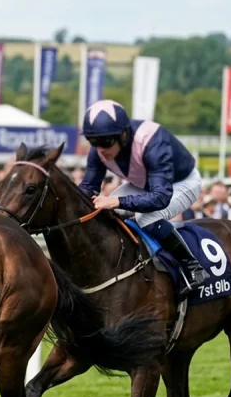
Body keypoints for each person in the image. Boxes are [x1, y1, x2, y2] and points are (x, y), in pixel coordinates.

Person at [78, 99, 208, 298]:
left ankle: (193, 267)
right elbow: (88, 189)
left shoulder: (152, 142)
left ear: (123, 135)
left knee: (145, 218)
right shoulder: (100, 150)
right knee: (106, 211)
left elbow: (160, 198)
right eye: (94, 142)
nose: (100, 149)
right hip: (146, 184)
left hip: (181, 183)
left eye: (105, 142)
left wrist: (117, 201)